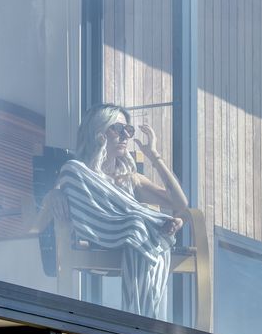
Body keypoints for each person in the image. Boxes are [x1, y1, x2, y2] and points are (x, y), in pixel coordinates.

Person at [52, 103, 190, 319]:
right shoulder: (77, 173)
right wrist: (58, 191)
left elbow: (180, 204)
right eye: (118, 129)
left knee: (136, 224)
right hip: (97, 234)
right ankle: (153, 221)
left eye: (129, 130)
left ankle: (147, 222)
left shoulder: (130, 179)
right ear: (98, 131)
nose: (125, 135)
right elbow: (68, 186)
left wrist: (153, 155)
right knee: (72, 169)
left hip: (131, 240)